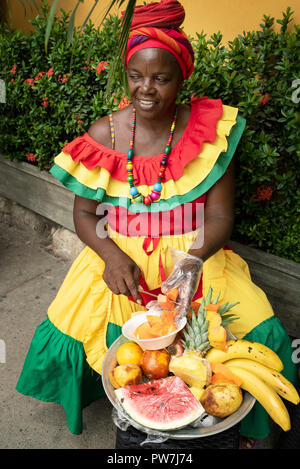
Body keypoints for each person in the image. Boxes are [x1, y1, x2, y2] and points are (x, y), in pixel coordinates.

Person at [16, 0, 298, 448]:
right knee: (90, 329)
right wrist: (109, 255)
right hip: (120, 259)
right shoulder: (103, 134)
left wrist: (191, 261)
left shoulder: (209, 132)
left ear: (180, 78)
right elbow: (85, 214)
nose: (145, 89)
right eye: (136, 76)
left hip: (196, 258)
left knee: (261, 328)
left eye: (160, 78)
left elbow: (221, 214)